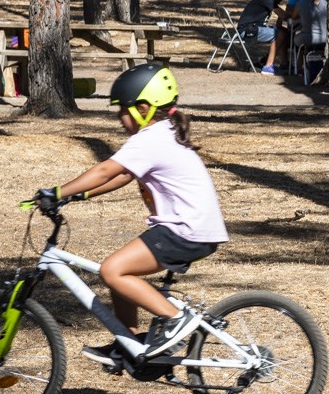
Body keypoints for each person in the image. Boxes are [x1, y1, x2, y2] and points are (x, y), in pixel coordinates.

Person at [28, 64, 229, 367]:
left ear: (144, 108)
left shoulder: (150, 139)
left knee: (113, 270)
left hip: (186, 230)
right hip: (192, 228)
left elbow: (107, 170)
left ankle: (175, 319)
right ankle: (129, 344)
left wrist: (56, 192)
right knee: (120, 273)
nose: (119, 117)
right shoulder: (163, 133)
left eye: (122, 109)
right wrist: (78, 195)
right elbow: (122, 177)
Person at [239, 0, 287, 73]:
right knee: (280, 34)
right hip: (248, 30)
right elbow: (284, 15)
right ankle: (268, 66)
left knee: (284, 32)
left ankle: (285, 64)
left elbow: (281, 17)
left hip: (252, 28)